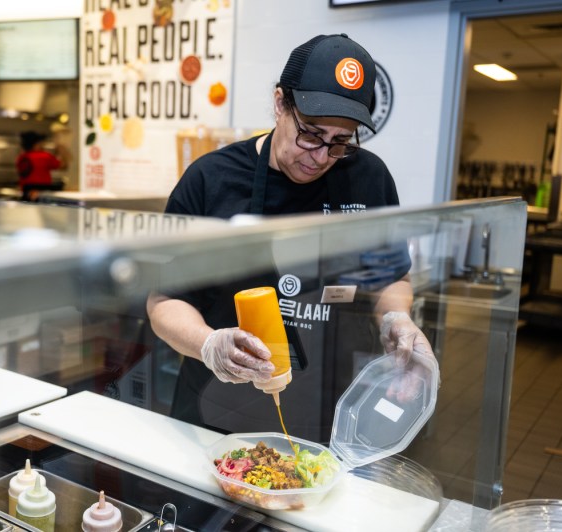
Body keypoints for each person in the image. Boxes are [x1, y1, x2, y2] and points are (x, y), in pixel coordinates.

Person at [145, 34, 435, 442]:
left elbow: (391, 277)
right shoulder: (211, 179)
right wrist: (210, 344)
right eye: (312, 134)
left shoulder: (369, 179)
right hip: (217, 410)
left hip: (328, 409)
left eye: (340, 142)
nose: (320, 156)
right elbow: (164, 302)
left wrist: (396, 317)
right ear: (281, 103)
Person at [16, 131, 64, 201]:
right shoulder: (44, 156)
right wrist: (62, 150)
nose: (42, 145)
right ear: (35, 145)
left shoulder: (21, 158)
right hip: (42, 191)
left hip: (26, 191)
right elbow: (62, 165)